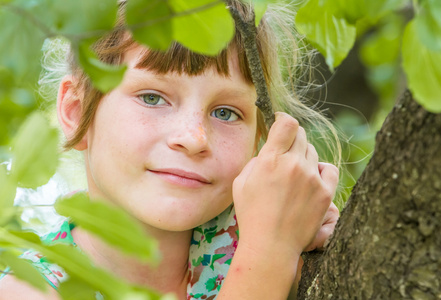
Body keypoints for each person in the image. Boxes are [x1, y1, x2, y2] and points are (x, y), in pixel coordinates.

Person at [0, 0, 340, 299]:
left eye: (226, 113)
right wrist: (271, 251)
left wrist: (302, 235)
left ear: (259, 140)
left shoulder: (255, 237)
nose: (194, 138)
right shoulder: (30, 290)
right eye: (152, 97)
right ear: (76, 111)